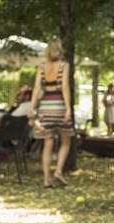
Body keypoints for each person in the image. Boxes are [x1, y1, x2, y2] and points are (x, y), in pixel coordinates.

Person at [27, 39, 73, 188]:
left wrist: (32, 108)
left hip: (45, 108)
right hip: (59, 106)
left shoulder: (41, 67)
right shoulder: (64, 65)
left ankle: (46, 180)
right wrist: (68, 108)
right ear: (59, 50)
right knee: (65, 141)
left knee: (47, 144)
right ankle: (58, 171)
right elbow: (65, 87)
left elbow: (36, 88)